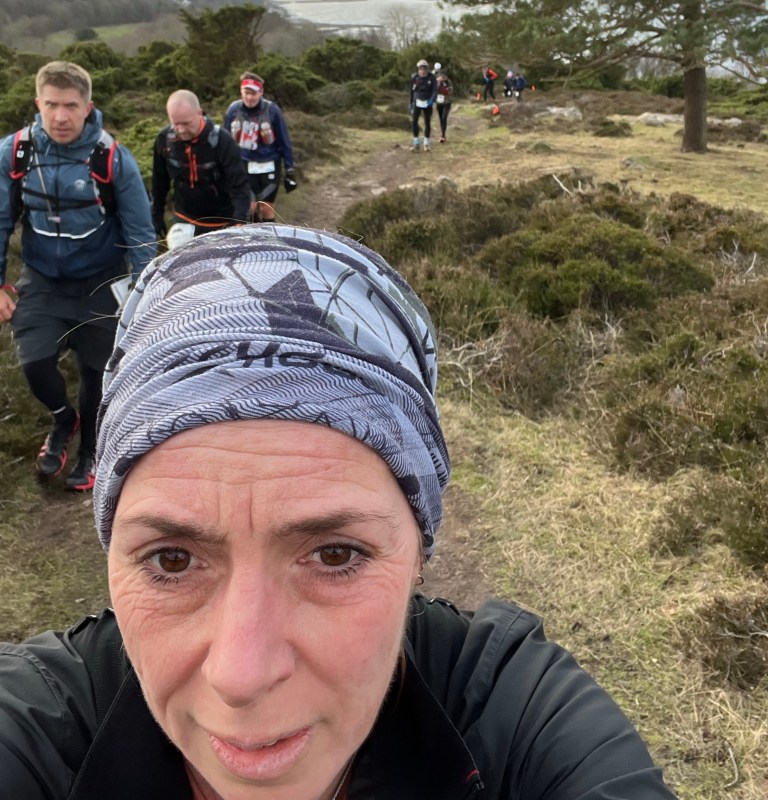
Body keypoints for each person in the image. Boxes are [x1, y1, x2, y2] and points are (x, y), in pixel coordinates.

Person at [0, 224, 677, 800]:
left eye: (334, 554)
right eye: (172, 560)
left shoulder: (513, 710)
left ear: (418, 551)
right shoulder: (40, 724)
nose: (242, 674)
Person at [0, 61, 155, 492]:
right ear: (38, 103)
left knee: (95, 371)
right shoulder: (15, 152)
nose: (61, 116)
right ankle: (62, 419)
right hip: (42, 279)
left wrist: (142, 294)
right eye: (52, 105)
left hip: (101, 281)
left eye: (71, 105)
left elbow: (141, 234)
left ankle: (90, 449)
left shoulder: (112, 158)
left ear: (88, 107)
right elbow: (0, 221)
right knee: (34, 363)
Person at [152, 90, 253, 246]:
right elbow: (159, 183)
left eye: (186, 123)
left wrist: (239, 224)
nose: (181, 130)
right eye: (176, 124)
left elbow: (240, 187)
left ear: (199, 113)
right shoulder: (164, 140)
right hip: (185, 220)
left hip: (222, 222)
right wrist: (156, 216)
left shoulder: (223, 142)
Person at [223, 72, 297, 206]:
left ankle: (267, 220)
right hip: (244, 164)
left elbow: (284, 141)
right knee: (249, 207)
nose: (249, 97)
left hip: (270, 164)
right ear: (241, 91)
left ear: (261, 92)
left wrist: (289, 169)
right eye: (246, 93)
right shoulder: (233, 110)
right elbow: (225, 141)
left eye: (254, 93)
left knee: (265, 207)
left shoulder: (273, 110)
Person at [408, 58, 436, 152]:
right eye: (421, 69)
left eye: (424, 69)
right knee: (414, 121)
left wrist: (432, 100)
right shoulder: (414, 77)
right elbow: (411, 91)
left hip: (427, 102)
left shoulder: (432, 78)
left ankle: (426, 143)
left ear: (427, 69)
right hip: (417, 102)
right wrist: (410, 103)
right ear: (418, 69)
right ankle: (416, 143)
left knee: (427, 122)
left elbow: (434, 91)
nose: (423, 71)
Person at [435, 68, 452, 143]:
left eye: (444, 76)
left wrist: (444, 87)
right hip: (439, 103)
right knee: (440, 119)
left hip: (446, 103)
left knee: (444, 118)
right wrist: (438, 83)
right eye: (441, 76)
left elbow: (450, 91)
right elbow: (434, 91)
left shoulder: (448, 82)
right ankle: (442, 133)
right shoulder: (436, 82)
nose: (443, 78)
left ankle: (443, 135)